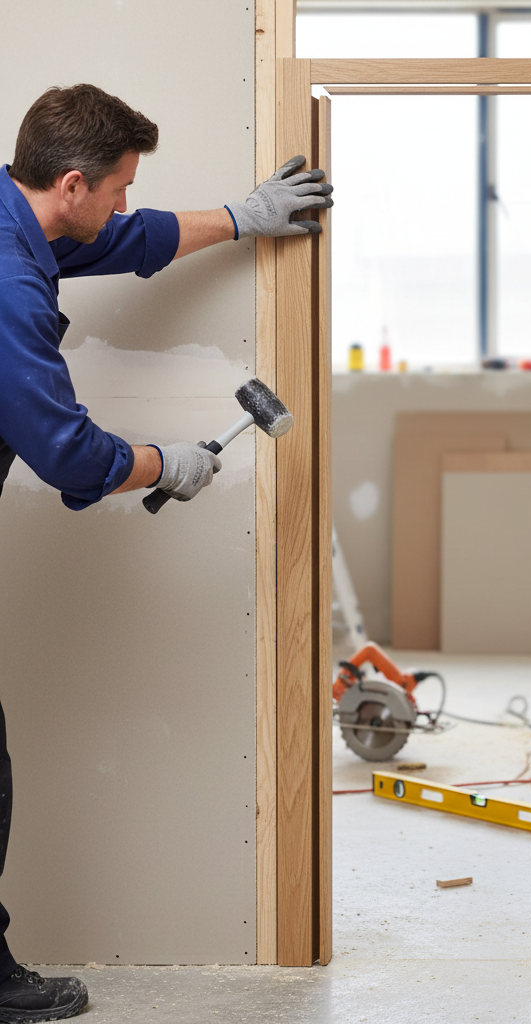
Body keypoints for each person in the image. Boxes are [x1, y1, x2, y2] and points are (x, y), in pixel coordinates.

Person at [0, 83, 332, 1021]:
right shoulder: (10, 285)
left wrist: (242, 217)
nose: (122, 204)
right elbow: (63, 449)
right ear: (72, 182)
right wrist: (162, 463)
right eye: (116, 189)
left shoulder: (22, 214)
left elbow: (123, 239)